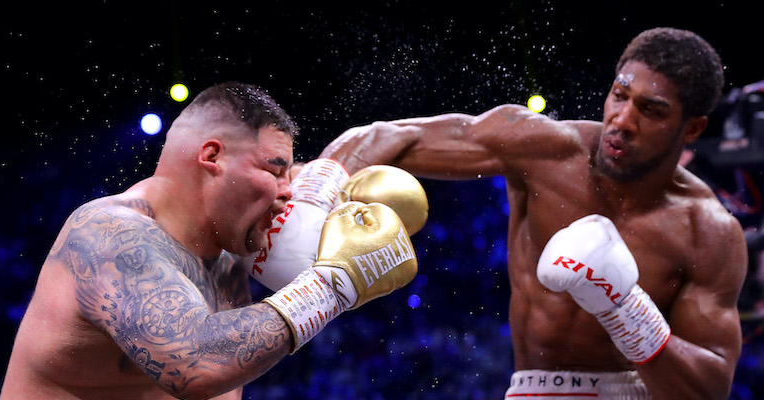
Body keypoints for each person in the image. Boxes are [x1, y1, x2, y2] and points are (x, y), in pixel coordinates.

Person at [319, 27, 747, 399]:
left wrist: (628, 311)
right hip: (532, 389)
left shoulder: (707, 230)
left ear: (691, 128)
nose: (623, 120)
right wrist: (314, 189)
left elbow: (710, 388)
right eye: (620, 95)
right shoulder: (546, 150)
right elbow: (391, 136)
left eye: (651, 111)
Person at [0, 81, 419, 399]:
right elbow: (194, 362)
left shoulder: (235, 237)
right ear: (212, 157)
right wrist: (335, 283)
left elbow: (358, 148)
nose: (288, 189)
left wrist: (332, 180)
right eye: (274, 170)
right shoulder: (110, 234)